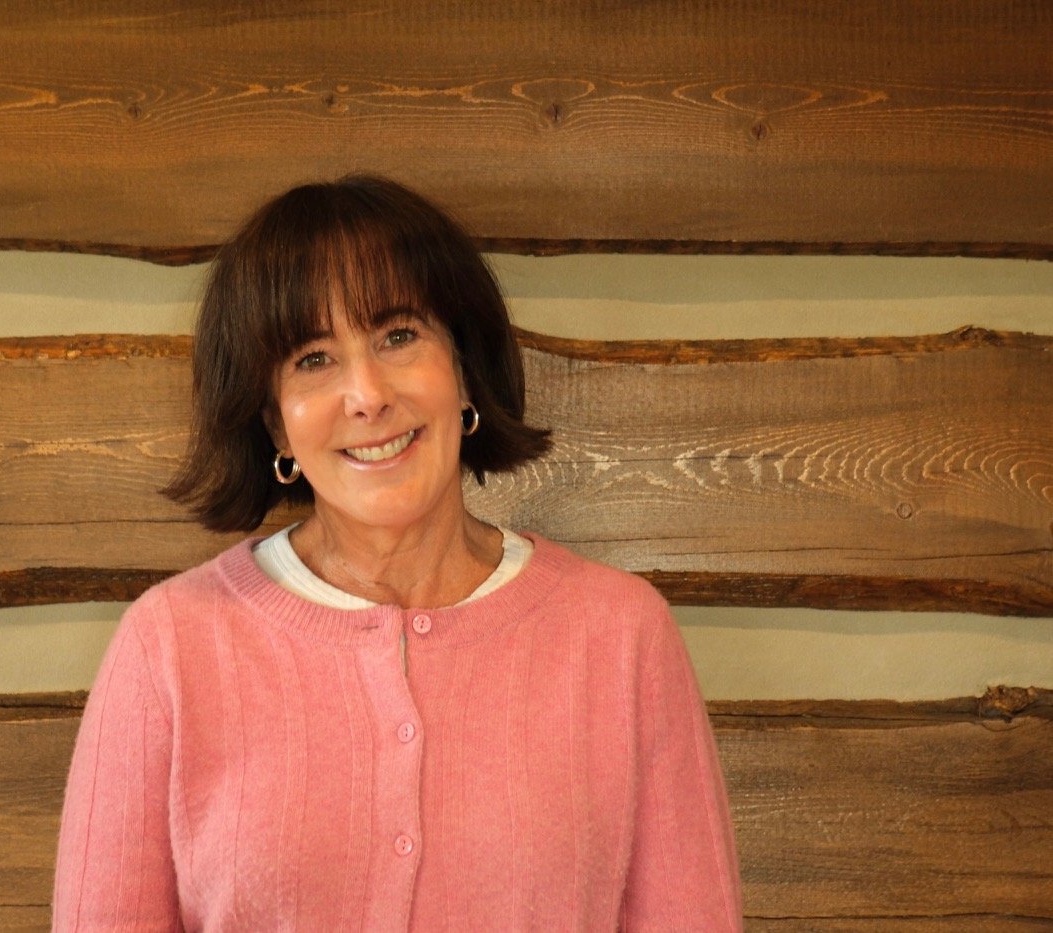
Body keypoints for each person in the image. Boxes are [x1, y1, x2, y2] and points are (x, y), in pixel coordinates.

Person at [53, 176, 743, 930]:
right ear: (275, 426)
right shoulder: (170, 647)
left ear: (463, 367)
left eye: (397, 336)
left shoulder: (619, 636)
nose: (367, 393)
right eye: (313, 358)